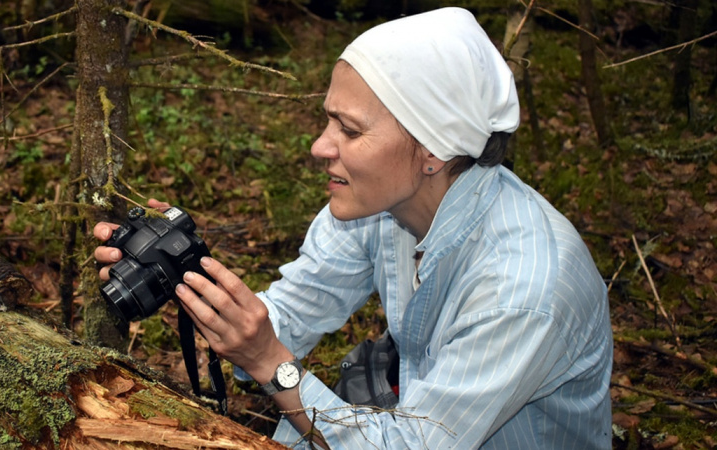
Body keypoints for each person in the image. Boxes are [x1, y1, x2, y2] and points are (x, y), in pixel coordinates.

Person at [94, 7, 612, 449]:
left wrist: (273, 365)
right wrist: (183, 270)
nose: (320, 147)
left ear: (433, 149)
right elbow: (290, 315)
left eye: (350, 129)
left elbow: (410, 443)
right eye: (328, 120)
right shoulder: (379, 205)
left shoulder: (524, 290)